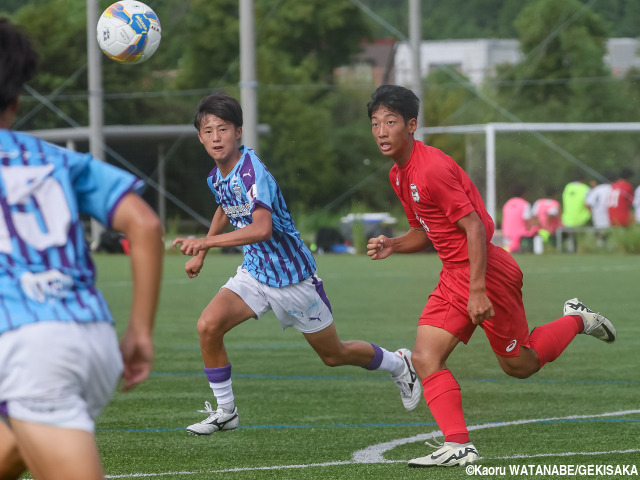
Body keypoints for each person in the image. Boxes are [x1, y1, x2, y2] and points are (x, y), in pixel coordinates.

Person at [365, 85, 616, 468]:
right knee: (425, 356)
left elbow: (475, 229)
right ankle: (458, 445)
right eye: (376, 123)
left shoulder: (431, 168)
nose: (382, 131)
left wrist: (478, 290)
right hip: (454, 273)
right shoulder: (399, 176)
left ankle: (578, 319)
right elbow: (424, 232)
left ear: (411, 125)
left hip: (487, 273)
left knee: (521, 365)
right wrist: (394, 245)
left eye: (391, 122)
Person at [172, 93, 420, 436]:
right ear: (200, 137)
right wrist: (202, 252)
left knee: (334, 354)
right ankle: (226, 411)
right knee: (208, 326)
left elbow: (262, 228)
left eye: (223, 129)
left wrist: (206, 242)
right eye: (208, 130)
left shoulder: (250, 171)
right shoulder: (218, 176)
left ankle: (398, 363)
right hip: (255, 273)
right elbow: (225, 205)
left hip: (293, 279)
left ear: (239, 132)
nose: (216, 137)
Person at [0, 18, 164, 480]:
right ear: (15, 100)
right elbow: (145, 224)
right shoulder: (55, 158)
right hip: (90, 335)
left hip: (28, 347)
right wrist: (139, 331)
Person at [501, 184, 538, 253]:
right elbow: (527, 220)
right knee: (535, 229)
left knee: (509, 247)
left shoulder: (507, 203)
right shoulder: (525, 204)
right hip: (520, 235)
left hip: (506, 233)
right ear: (523, 194)